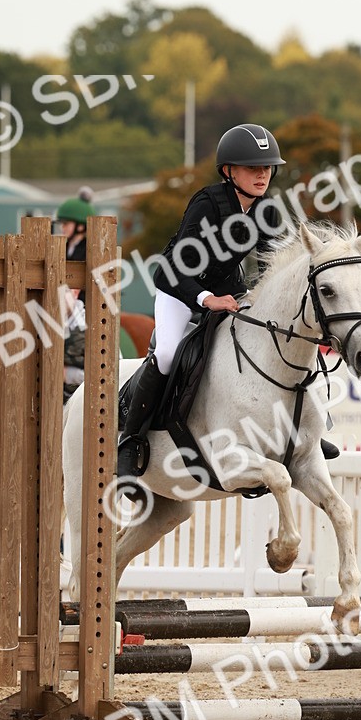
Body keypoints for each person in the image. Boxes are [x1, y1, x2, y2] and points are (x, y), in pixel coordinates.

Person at [116, 122, 288, 494]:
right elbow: (179, 264)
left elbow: (277, 264)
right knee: (165, 354)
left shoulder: (268, 212)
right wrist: (206, 299)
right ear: (229, 171)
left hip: (227, 289)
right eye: (252, 168)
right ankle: (129, 442)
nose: (262, 175)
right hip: (180, 288)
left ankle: (301, 431)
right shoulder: (207, 203)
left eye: (267, 168)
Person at [55, 188, 96, 402]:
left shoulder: (88, 248)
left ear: (80, 226)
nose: (62, 228)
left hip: (85, 308)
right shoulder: (63, 248)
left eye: (66, 224)